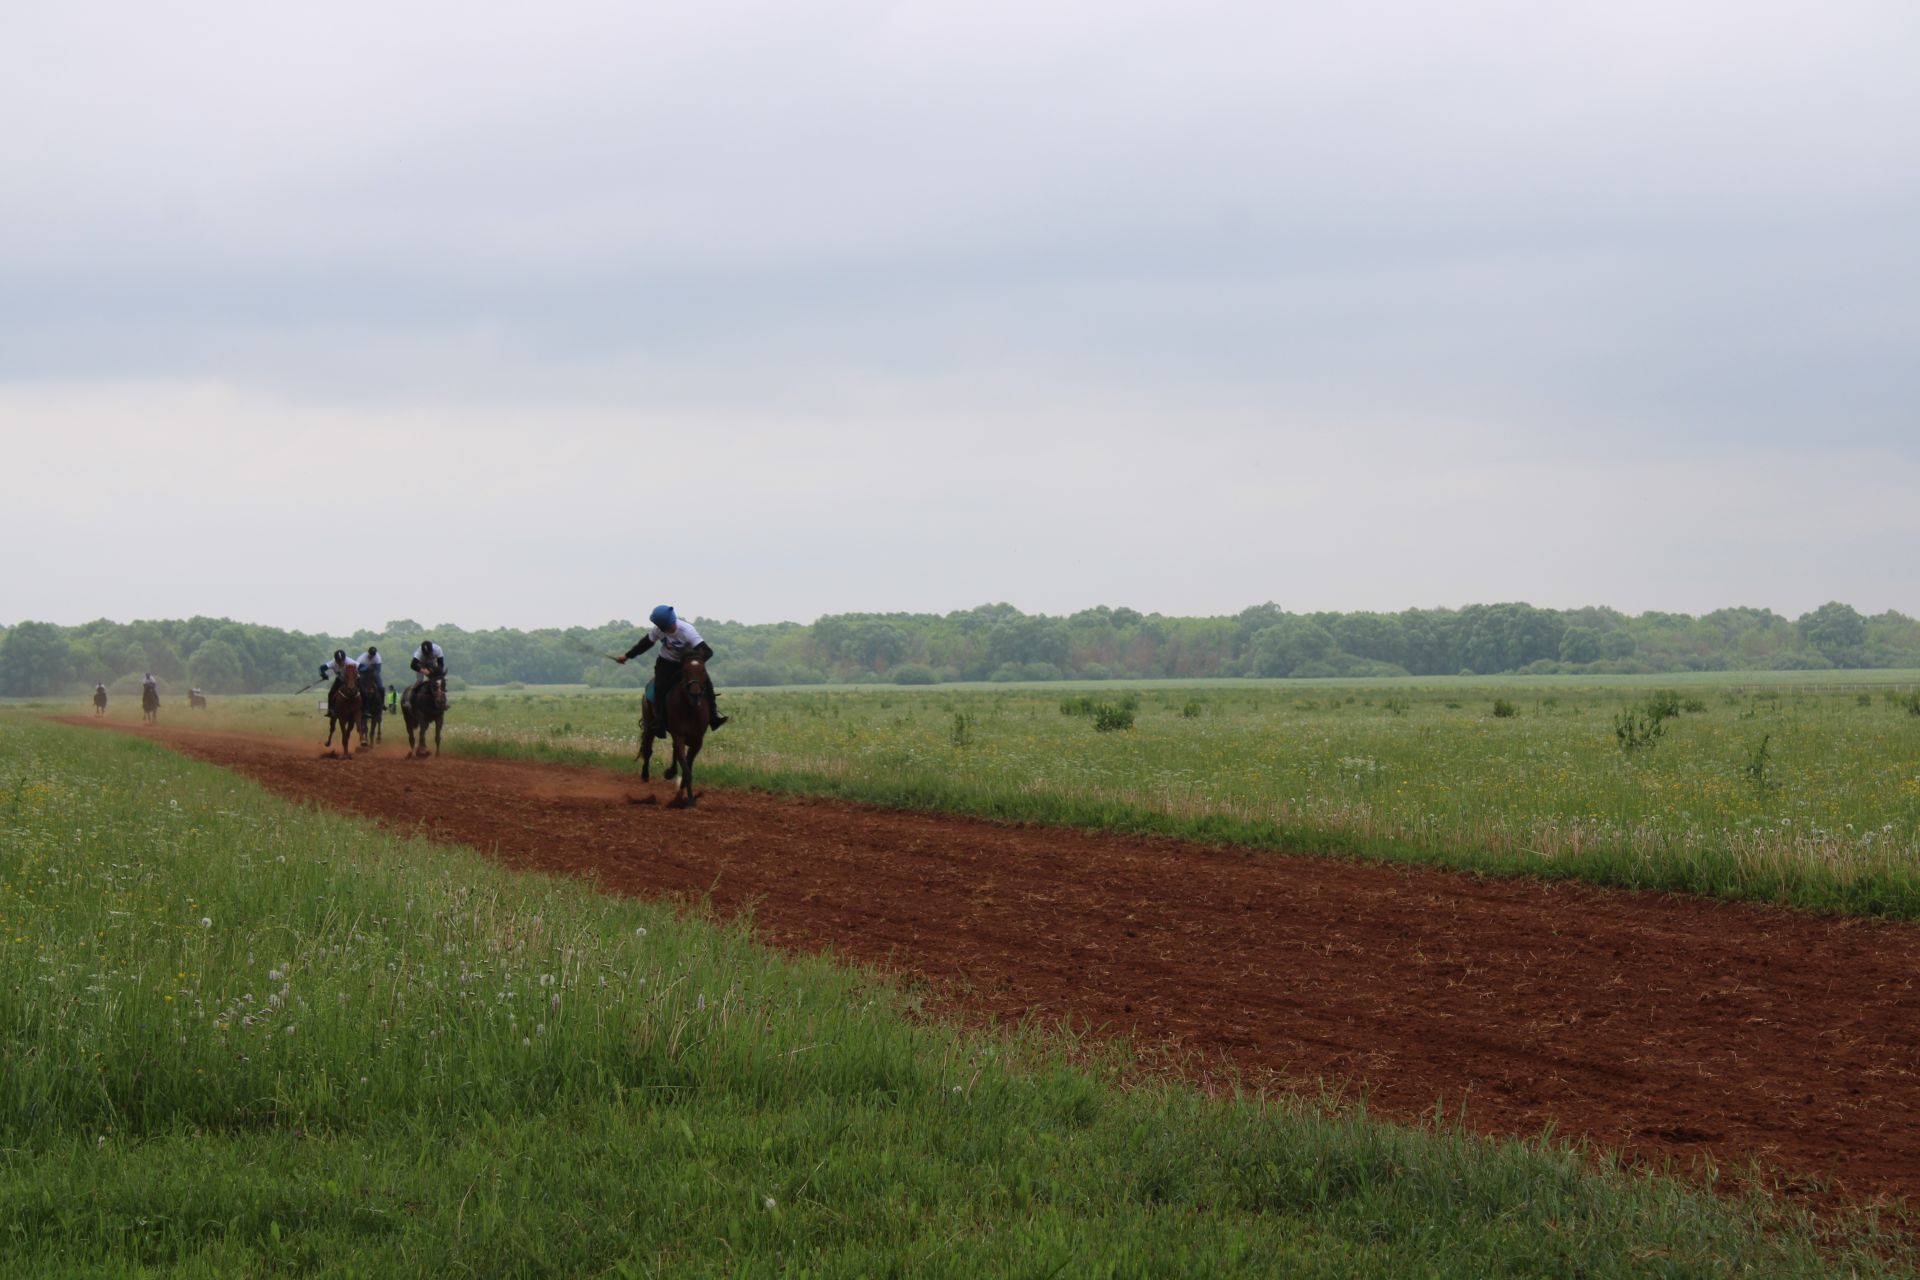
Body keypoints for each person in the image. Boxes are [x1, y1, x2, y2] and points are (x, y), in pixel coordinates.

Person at [615, 605, 726, 730]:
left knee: (708, 685)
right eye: (667, 628)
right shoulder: (657, 630)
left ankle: (713, 717)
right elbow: (645, 644)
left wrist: (691, 664)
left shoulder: (687, 631)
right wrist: (627, 656)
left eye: (671, 625)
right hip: (666, 663)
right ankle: (659, 722)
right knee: (660, 687)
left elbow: (708, 652)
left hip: (686, 665)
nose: (670, 629)